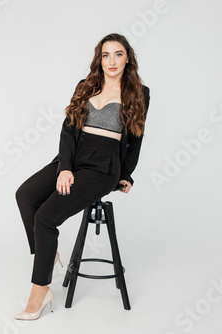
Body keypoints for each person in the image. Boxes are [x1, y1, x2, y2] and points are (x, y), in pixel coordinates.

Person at [13, 33, 151, 320]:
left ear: (128, 58)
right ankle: (47, 255)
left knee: (46, 219)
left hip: (103, 167)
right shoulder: (86, 85)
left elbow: (136, 137)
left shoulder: (139, 92)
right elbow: (68, 130)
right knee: (25, 195)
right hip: (74, 157)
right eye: (105, 55)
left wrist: (126, 174)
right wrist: (64, 167)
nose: (111, 61)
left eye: (118, 54)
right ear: (98, 59)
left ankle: (40, 292)